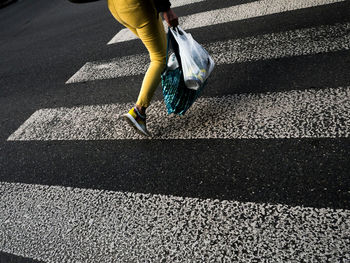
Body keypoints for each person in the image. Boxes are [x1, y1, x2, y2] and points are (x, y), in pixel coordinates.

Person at [107, 0, 179, 136]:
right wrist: (166, 9)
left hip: (117, 8)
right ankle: (138, 112)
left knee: (158, 52)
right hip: (137, 6)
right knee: (159, 59)